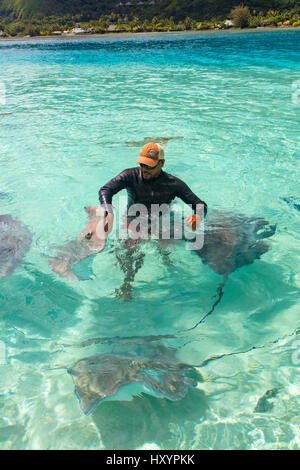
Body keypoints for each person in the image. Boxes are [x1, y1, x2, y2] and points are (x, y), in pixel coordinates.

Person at [82, 142, 207, 299]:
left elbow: (200, 205)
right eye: (142, 164)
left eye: (149, 166)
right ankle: (127, 284)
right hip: (134, 220)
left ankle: (169, 267)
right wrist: (108, 211)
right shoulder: (130, 176)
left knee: (168, 249)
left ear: (161, 163)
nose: (144, 169)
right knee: (129, 253)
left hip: (160, 220)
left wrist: (197, 216)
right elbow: (106, 189)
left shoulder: (174, 184)